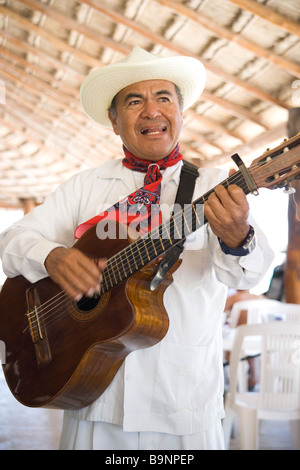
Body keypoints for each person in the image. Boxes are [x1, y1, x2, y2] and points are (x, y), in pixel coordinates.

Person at [0, 46, 274, 450]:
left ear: (181, 113)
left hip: (181, 402)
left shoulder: (216, 187)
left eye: (163, 97)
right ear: (114, 121)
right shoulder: (84, 187)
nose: (151, 110)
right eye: (134, 101)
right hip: (93, 399)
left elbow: (256, 274)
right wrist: (52, 257)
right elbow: (11, 243)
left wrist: (238, 237)